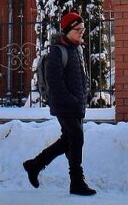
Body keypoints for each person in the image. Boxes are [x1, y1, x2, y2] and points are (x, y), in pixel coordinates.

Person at [22, 11, 96, 196]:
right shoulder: (58, 51)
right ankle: (77, 181)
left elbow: (80, 77)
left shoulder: (77, 49)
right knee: (76, 138)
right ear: (68, 29)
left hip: (77, 105)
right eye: (78, 29)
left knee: (69, 140)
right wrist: (71, 100)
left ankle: (35, 165)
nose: (81, 32)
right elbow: (54, 82)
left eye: (83, 29)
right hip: (65, 106)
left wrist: (83, 96)